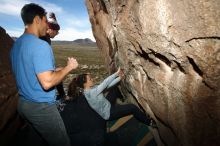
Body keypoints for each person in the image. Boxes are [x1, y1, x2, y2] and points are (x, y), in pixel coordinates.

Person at [10, 3, 78, 146]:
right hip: (41, 107)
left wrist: (60, 69)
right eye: (45, 21)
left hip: (23, 104)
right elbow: (47, 83)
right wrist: (69, 68)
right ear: (37, 20)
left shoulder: (16, 44)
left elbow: (31, 71)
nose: (46, 26)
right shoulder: (41, 45)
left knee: (35, 139)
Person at [39, 12, 66, 100]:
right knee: (59, 73)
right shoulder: (43, 39)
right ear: (50, 29)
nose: (57, 33)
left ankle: (62, 96)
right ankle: (60, 97)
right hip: (38, 74)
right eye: (56, 31)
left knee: (59, 72)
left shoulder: (45, 38)